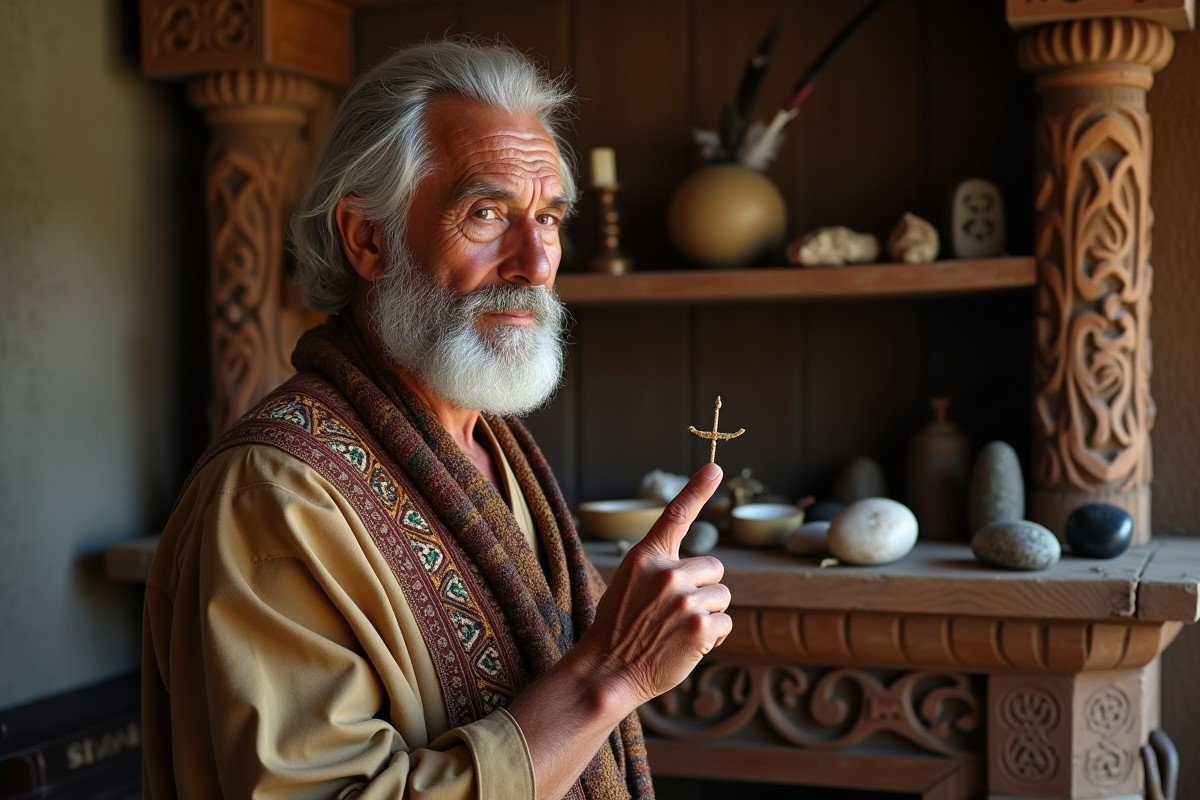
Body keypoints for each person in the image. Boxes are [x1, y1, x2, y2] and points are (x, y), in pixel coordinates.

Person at [142, 39, 732, 800]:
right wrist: (612, 673)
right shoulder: (272, 494)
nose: (536, 262)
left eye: (547, 218)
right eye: (486, 212)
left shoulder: (492, 445)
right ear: (367, 237)